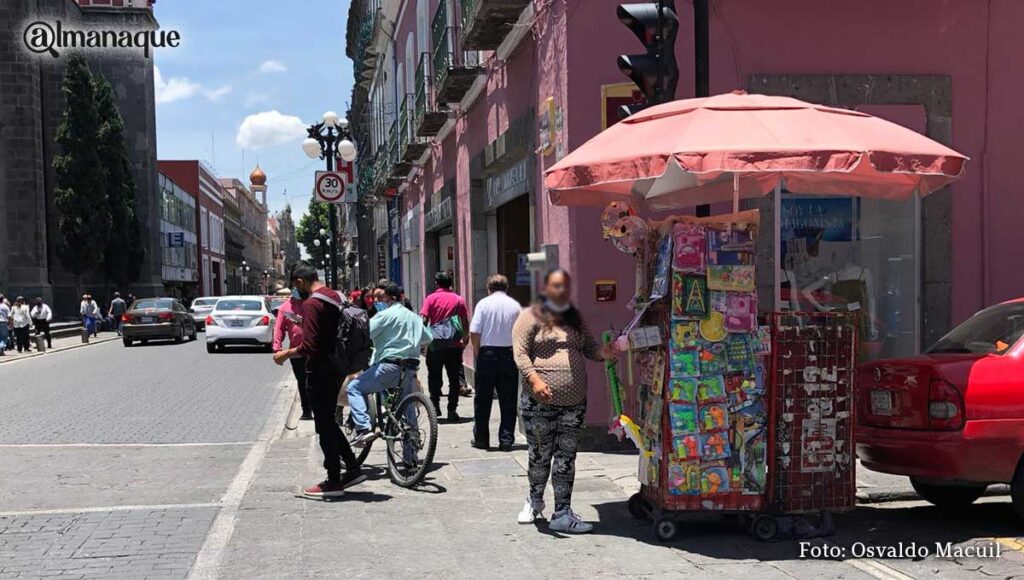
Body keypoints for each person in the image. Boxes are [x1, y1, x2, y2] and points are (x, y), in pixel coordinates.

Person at [512, 269, 618, 534]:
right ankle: (534, 501)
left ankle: (562, 512)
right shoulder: (530, 316)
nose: (562, 292)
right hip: (539, 403)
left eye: (566, 287)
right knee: (539, 456)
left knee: (566, 458)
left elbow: (590, 348)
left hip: (573, 403)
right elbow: (521, 353)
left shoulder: (573, 318)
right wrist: (535, 380)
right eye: (556, 286)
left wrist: (605, 353)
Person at [274, 262, 366, 499]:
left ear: (300, 282)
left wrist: (286, 353)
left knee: (323, 425)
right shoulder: (334, 295)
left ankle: (334, 480)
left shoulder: (313, 303)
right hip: (337, 367)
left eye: (296, 286)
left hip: (320, 370)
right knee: (328, 421)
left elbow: (310, 346)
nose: (297, 291)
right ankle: (353, 467)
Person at [346, 280, 433, 446]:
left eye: (383, 298)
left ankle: (364, 429)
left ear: (390, 299)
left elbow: (367, 332)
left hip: (388, 365)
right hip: (410, 367)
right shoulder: (414, 318)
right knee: (407, 407)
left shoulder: (385, 315)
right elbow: (427, 337)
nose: (380, 302)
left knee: (354, 388)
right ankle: (411, 457)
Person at [468, 274, 523, 451]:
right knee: (508, 399)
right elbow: (521, 332)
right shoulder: (515, 305)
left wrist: (478, 352)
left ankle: (482, 439)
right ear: (506, 288)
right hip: (508, 354)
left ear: (488, 288)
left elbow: (475, 331)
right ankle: (506, 439)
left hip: (487, 353)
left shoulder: (483, 304)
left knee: (482, 399)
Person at [420, 271, 470, 422]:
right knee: (454, 378)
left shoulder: (431, 298)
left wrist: (423, 341)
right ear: (451, 283)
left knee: (434, 376)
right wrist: (466, 338)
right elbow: (464, 320)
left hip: (435, 344)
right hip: (454, 344)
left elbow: (424, 319)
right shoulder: (458, 299)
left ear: (437, 283)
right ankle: (452, 410)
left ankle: (434, 408)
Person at [273, 286, 312, 420]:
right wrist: (277, 349)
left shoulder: (310, 304)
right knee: (302, 381)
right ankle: (306, 410)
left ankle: (317, 406)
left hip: (313, 349)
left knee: (314, 379)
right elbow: (278, 329)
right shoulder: (285, 308)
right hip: (296, 351)